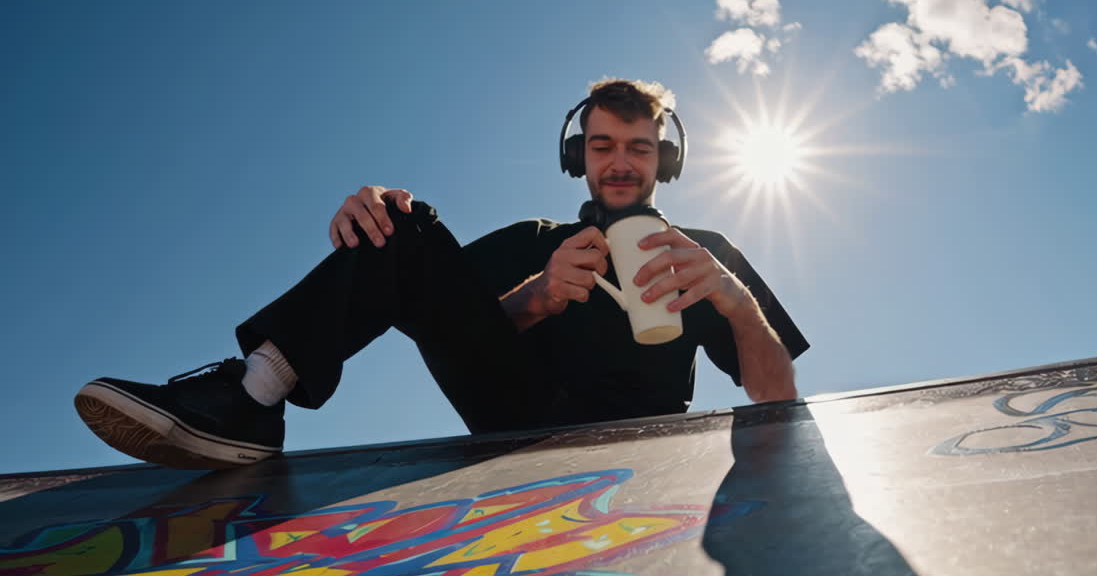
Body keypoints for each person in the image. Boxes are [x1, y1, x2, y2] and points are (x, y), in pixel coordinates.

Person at [74, 79, 809, 469]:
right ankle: (253, 396)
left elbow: (778, 398)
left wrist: (737, 302)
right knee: (402, 221)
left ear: (665, 160)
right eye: (602, 145)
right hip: (518, 417)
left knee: (730, 320)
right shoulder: (534, 238)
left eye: (640, 149)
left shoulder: (702, 249)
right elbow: (435, 315)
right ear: (577, 156)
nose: (620, 162)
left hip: (649, 438)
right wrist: (539, 295)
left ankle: (255, 393)